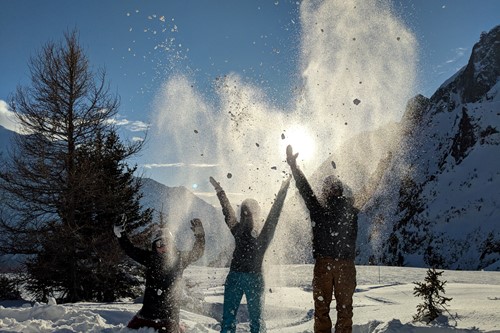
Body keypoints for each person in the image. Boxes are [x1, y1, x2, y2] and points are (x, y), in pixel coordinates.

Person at [286, 145, 358, 333]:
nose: (330, 191)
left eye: (330, 188)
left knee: (323, 310)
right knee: (343, 311)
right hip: (343, 265)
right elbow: (370, 190)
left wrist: (294, 168)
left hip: (325, 264)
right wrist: (295, 168)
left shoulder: (319, 208)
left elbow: (305, 190)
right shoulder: (350, 208)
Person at [209, 175, 291, 333]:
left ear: (257, 213)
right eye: (245, 212)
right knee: (234, 319)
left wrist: (282, 191)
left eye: (251, 212)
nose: (248, 215)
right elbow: (228, 212)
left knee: (253, 320)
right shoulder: (240, 230)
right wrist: (220, 191)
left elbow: (274, 214)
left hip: (249, 278)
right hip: (239, 277)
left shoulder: (262, 233)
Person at [113, 216, 205, 333]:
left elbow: (197, 252)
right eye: (159, 244)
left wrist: (200, 236)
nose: (163, 247)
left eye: (166, 242)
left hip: (169, 317)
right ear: (154, 246)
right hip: (146, 315)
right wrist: (121, 235)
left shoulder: (180, 259)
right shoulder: (150, 259)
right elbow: (130, 250)